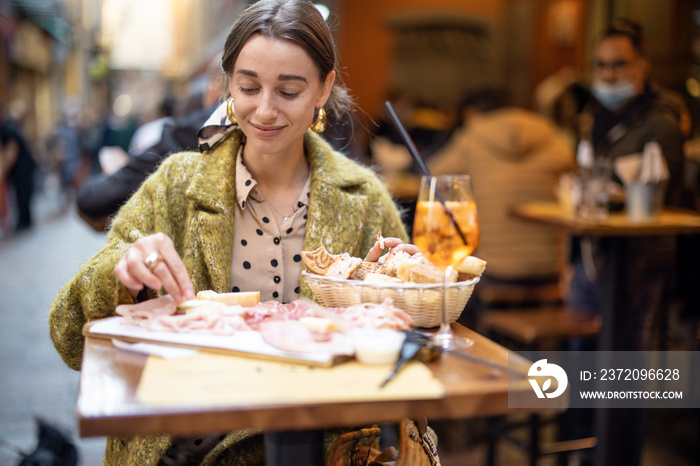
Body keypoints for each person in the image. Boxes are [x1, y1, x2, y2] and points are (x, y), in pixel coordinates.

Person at [49, 1, 416, 464]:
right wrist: (121, 274)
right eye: (248, 87)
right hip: (183, 448)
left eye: (289, 91)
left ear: (324, 88)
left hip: (319, 450)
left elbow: (408, 348)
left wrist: (406, 288)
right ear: (227, 85)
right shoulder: (176, 185)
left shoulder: (364, 200)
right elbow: (67, 336)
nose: (264, 110)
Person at [566, 19, 687, 342]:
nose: (608, 75)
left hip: (638, 260)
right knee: (582, 348)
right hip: (593, 254)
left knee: (625, 352)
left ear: (642, 66)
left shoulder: (661, 121)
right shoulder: (595, 116)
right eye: (601, 65)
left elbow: (663, 195)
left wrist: (610, 190)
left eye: (619, 65)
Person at [428, 88, 576, 285]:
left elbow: (432, 175)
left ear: (471, 114)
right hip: (550, 267)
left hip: (494, 268)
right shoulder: (550, 137)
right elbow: (576, 171)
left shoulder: (471, 137)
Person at [0, 99, 37, 232]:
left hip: (23, 167)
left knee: (23, 192)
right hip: (21, 167)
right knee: (22, 192)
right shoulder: (8, 127)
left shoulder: (6, 129)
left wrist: (3, 171)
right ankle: (24, 220)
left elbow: (11, 151)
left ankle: (24, 221)